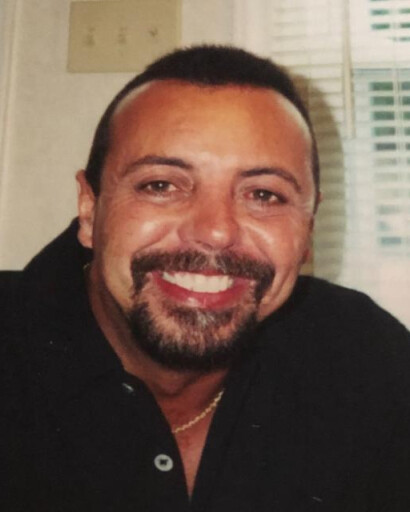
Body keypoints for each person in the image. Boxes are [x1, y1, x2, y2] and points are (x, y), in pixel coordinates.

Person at [1, 45, 410, 511]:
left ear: (308, 230)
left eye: (263, 195)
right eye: (161, 185)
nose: (215, 232)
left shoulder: (368, 358)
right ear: (90, 209)